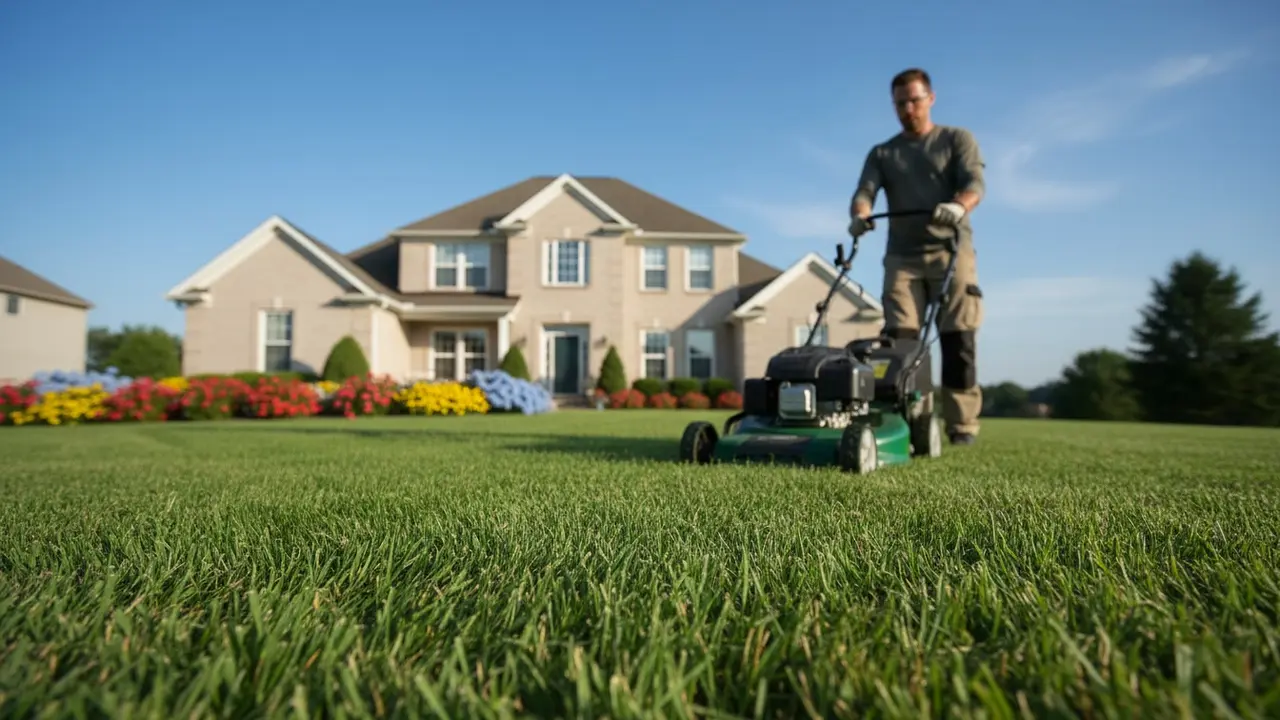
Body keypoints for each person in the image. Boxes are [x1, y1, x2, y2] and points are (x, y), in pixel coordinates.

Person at [848, 67, 986, 445]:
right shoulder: (883, 153)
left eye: (914, 100)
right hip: (902, 257)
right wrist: (860, 216)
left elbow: (974, 183)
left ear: (931, 98)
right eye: (900, 103)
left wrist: (959, 206)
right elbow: (865, 192)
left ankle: (962, 425)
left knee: (958, 339)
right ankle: (907, 415)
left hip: (950, 249)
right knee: (900, 341)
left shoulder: (956, 140)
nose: (908, 109)